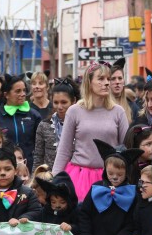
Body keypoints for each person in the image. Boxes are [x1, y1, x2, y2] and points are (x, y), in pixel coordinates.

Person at [52, 64, 129, 200]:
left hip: (110, 177)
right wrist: (55, 180)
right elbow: (64, 149)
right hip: (79, 175)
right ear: (89, 82)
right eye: (100, 79)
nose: (106, 83)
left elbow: (126, 149)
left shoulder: (118, 112)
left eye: (108, 79)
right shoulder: (74, 111)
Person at [0, 74, 41, 172]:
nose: (23, 94)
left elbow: (40, 145)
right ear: (6, 95)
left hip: (29, 167)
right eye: (18, 91)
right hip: (3, 167)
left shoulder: (34, 115)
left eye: (24, 90)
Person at [33, 78, 78, 170]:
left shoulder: (80, 126)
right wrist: (35, 179)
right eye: (56, 102)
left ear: (73, 101)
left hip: (74, 176)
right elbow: (38, 157)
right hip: (50, 178)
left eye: (64, 102)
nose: (59, 107)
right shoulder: (44, 125)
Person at [109, 59, 139, 124]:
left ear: (123, 81)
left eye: (120, 78)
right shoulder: (101, 104)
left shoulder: (132, 106)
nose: (117, 82)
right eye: (113, 79)